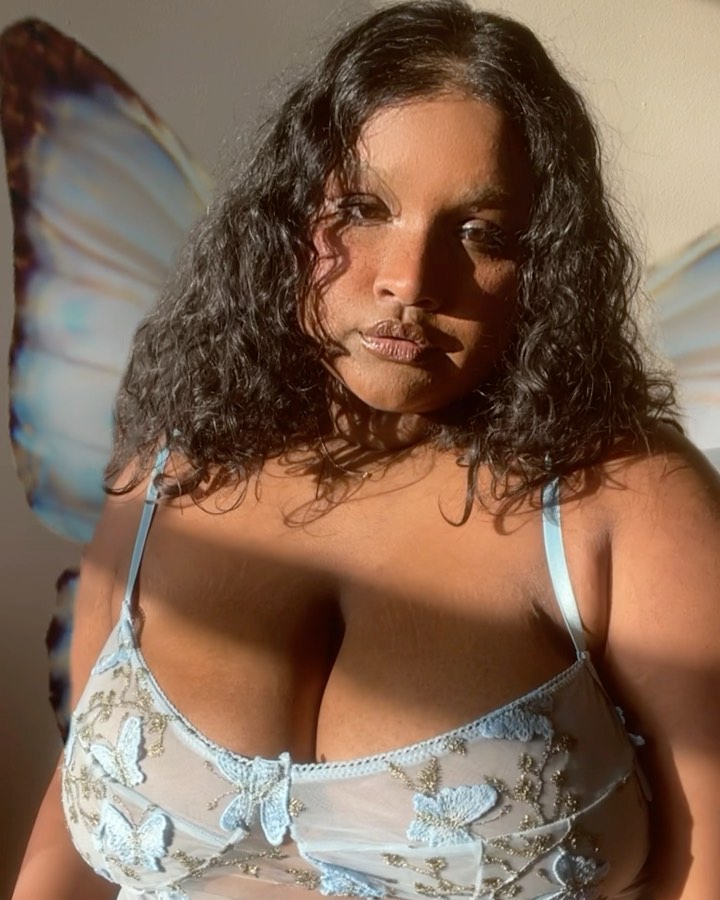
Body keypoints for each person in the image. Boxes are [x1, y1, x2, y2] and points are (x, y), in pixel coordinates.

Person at [11, 1, 720, 898]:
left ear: (545, 262)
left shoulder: (626, 500)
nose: (409, 281)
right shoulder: (165, 475)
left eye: (481, 232)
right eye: (362, 208)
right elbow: (76, 824)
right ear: (289, 215)